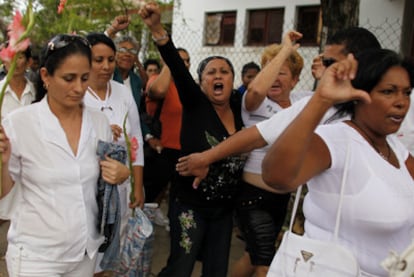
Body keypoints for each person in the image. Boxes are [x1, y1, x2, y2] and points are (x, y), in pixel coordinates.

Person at [261, 49, 414, 276]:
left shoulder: (397, 151)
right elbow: (276, 176)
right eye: (389, 92)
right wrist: (321, 100)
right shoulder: (336, 141)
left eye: (407, 92)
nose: (401, 102)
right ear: (358, 95)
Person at [176, 27, 383, 190]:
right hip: (259, 195)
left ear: (295, 80)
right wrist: (205, 158)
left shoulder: (393, 110)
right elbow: (256, 135)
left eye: (329, 62)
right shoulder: (315, 105)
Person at [0, 34, 130, 276]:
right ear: (46, 76)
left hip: (84, 252)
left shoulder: (99, 122)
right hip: (36, 256)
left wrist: (121, 174)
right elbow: (3, 194)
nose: (79, 88)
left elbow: (103, 179)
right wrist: (3, 162)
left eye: (84, 78)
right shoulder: (19, 124)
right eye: (69, 79)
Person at [139, 3, 246, 276]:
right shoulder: (196, 104)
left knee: (216, 270)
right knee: (181, 267)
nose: (218, 75)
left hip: (224, 212)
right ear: (200, 83)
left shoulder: (241, 107)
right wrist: (157, 29)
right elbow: (176, 65)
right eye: (211, 72)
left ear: (233, 80)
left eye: (225, 71)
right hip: (190, 206)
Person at [226, 31, 304, 277]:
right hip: (253, 198)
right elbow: (257, 89)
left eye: (281, 72)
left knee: (253, 256)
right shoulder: (255, 103)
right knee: (265, 264)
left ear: (295, 80)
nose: (274, 77)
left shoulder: (301, 105)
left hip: (281, 200)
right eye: (269, 70)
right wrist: (284, 50)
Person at [83, 33, 145, 275]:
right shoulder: (76, 95)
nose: (106, 66)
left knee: (109, 255)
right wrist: (101, 133)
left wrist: (137, 185)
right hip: (88, 191)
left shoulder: (123, 93)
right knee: (87, 258)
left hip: (121, 189)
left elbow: (135, 139)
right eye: (98, 60)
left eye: (111, 59)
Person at [144, 48, 190, 228]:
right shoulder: (157, 80)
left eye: (186, 61)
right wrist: (171, 63)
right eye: (180, 59)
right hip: (161, 148)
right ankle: (141, 229)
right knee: (152, 191)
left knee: (178, 193)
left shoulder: (187, 86)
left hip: (183, 148)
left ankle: (175, 225)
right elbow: (159, 91)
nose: (183, 63)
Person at [0, 45, 35, 119]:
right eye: (11, 56)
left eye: (19, 57)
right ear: (4, 60)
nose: (15, 62)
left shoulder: (35, 92)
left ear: (29, 62)